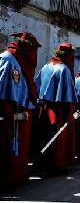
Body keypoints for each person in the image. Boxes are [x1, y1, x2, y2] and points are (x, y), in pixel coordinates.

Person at [0, 32, 41, 188]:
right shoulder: (8, 58)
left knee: (20, 148)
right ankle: (8, 179)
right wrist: (8, 111)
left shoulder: (22, 61)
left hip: (23, 111)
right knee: (10, 147)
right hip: (10, 111)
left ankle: (18, 175)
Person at [35, 42, 77, 171]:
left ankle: (43, 164)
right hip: (59, 110)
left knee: (44, 135)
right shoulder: (63, 69)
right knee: (58, 136)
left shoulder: (45, 66)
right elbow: (68, 95)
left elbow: (36, 86)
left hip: (44, 108)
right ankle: (56, 164)